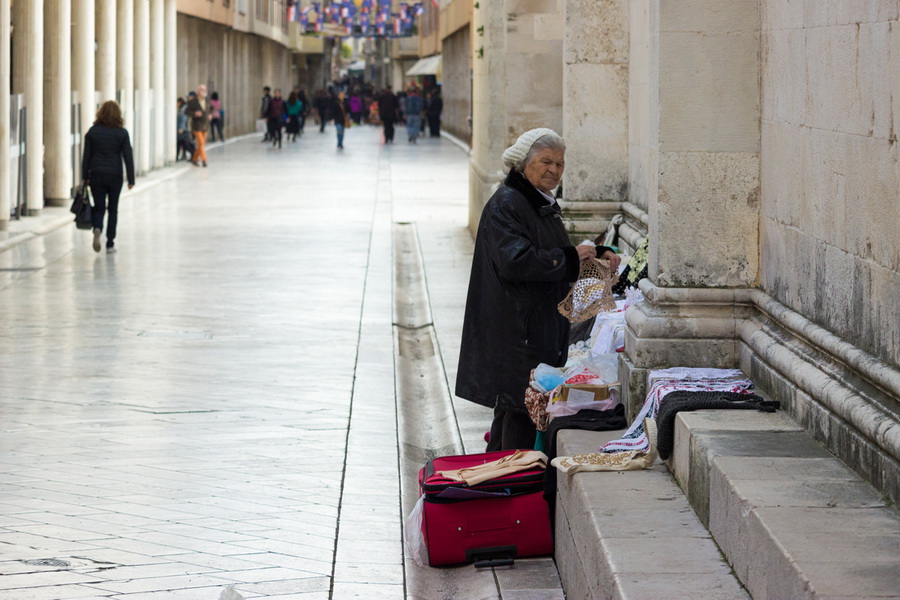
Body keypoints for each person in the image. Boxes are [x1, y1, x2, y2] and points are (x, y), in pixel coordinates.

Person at [455, 128, 621, 451]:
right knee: (516, 420)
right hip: (516, 337)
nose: (554, 170)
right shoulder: (508, 203)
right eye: (546, 162)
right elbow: (516, 262)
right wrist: (569, 258)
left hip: (527, 333)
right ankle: (507, 489)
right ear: (523, 163)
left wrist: (594, 256)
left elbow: (550, 251)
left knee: (512, 417)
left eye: (560, 164)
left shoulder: (535, 201)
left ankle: (499, 486)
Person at [81, 100, 135, 254]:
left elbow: (87, 157)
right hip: (115, 175)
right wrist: (131, 180)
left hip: (96, 174)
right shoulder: (122, 133)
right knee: (113, 209)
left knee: (99, 207)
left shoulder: (93, 132)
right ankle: (110, 243)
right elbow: (128, 157)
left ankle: (97, 228)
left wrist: (85, 176)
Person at [186, 84, 212, 166]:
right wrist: (195, 113)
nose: (204, 91)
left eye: (205, 89)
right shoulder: (192, 102)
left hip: (205, 125)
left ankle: (194, 159)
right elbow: (187, 111)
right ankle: (204, 160)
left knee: (201, 144)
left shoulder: (207, 100)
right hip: (197, 125)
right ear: (198, 91)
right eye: (202, 90)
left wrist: (210, 114)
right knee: (201, 143)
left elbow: (211, 108)